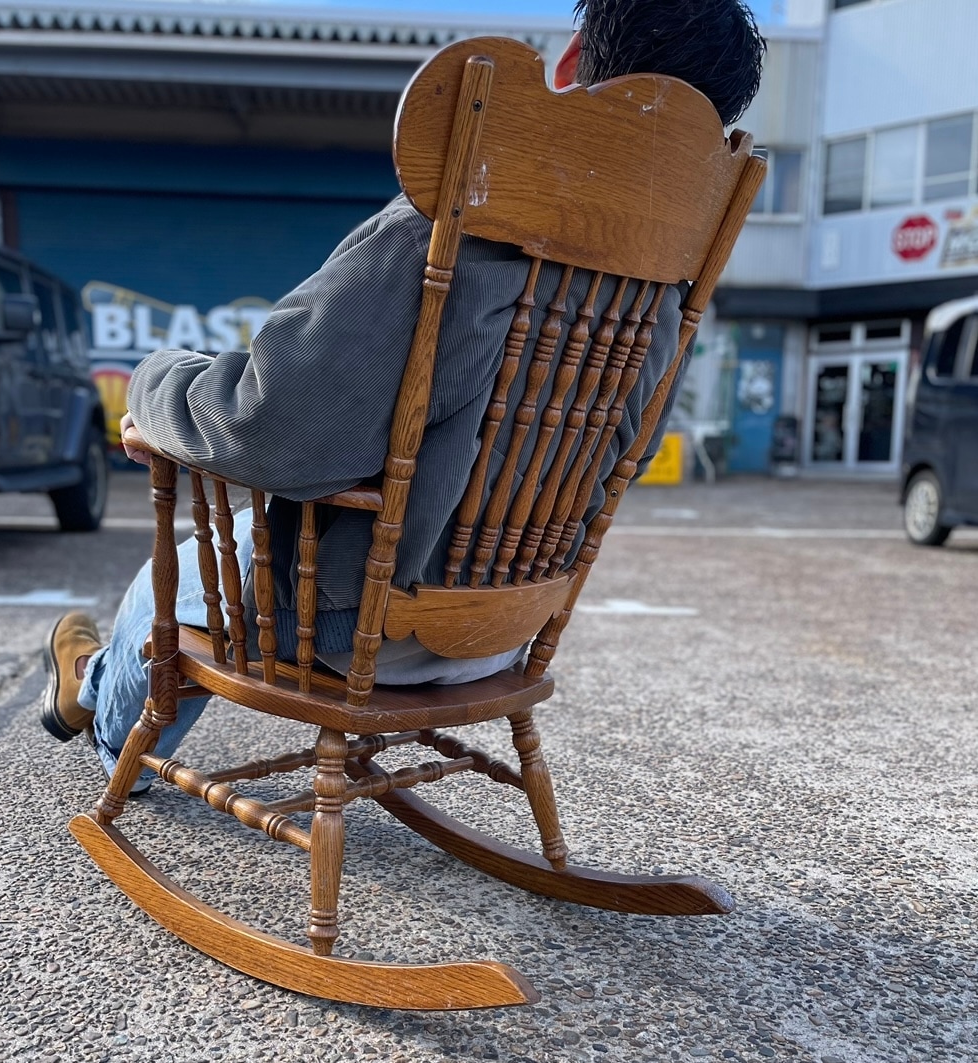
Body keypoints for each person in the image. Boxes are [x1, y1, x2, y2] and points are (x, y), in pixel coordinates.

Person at [41, 0, 765, 794]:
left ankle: (108, 727)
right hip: (506, 631)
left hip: (359, 629)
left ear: (568, 68)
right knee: (238, 545)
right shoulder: (662, 294)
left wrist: (156, 377)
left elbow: (269, 425)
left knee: (171, 577)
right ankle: (95, 678)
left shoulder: (447, 231)